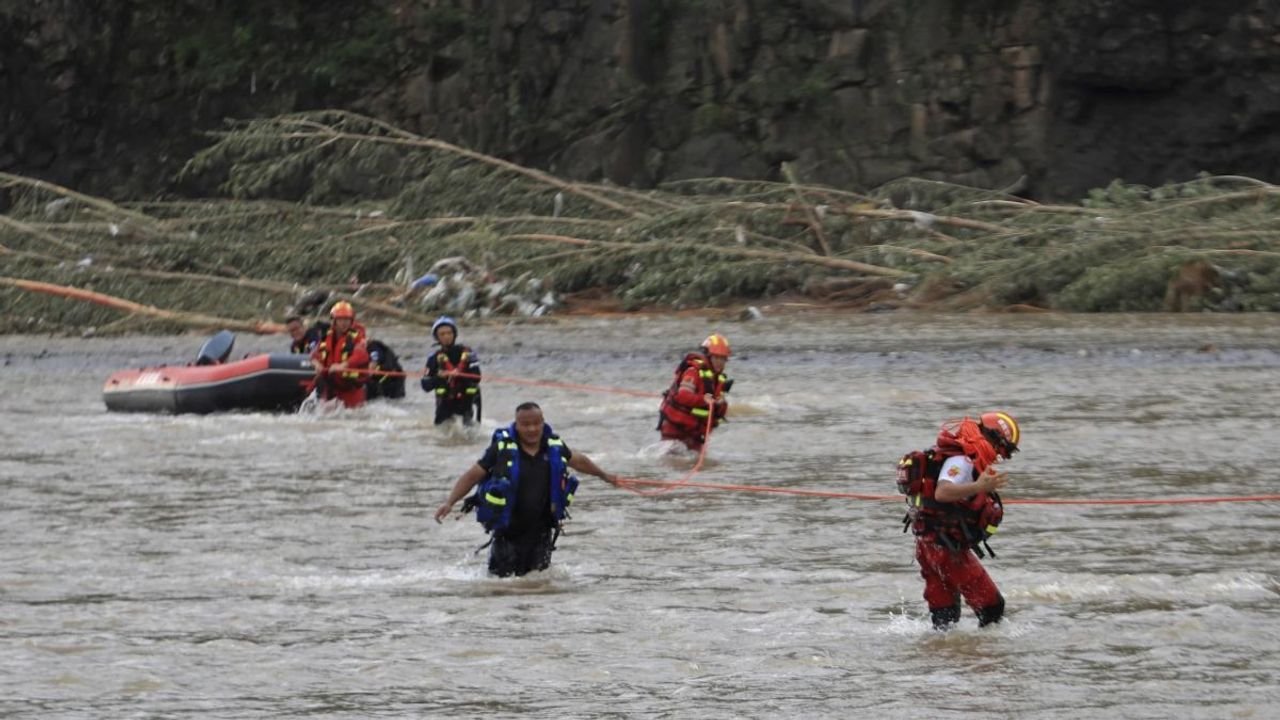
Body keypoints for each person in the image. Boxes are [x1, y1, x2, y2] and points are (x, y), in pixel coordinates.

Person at [434, 402, 618, 577]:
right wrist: (450, 502)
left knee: (536, 585)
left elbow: (579, 461)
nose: (532, 429)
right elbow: (473, 475)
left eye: (536, 423)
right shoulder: (501, 449)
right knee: (502, 585)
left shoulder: (554, 447)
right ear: (517, 425)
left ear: (543, 423)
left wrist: (604, 475)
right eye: (525, 424)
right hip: (508, 533)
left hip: (541, 533)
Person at [898, 411, 1020, 630]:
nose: (1001, 457)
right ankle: (985, 660)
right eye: (1005, 450)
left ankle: (943, 660)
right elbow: (942, 493)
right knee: (992, 608)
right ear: (994, 439)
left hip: (928, 547)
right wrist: (979, 487)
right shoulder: (962, 460)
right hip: (947, 551)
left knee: (944, 619)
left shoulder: (952, 455)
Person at [657, 333, 733, 451]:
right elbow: (683, 396)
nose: (720, 362)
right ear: (708, 356)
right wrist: (704, 400)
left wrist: (722, 404)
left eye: (723, 358)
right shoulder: (693, 371)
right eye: (716, 357)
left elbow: (718, 411)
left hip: (696, 434)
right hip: (676, 431)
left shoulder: (718, 379)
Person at [420, 316, 481, 425]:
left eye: (449, 333)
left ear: (454, 334)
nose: (447, 337)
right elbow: (425, 385)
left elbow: (477, 378)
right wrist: (440, 377)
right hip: (444, 404)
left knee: (469, 431)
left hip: (465, 403)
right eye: (442, 334)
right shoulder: (433, 358)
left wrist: (460, 374)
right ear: (437, 337)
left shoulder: (469, 354)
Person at [309, 301, 370, 408]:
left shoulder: (357, 338)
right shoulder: (326, 337)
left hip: (350, 390)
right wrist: (316, 363)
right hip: (331, 386)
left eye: (347, 319)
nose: (344, 323)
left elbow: (361, 355)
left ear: (351, 321)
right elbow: (314, 355)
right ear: (334, 320)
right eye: (340, 319)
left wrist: (343, 365)